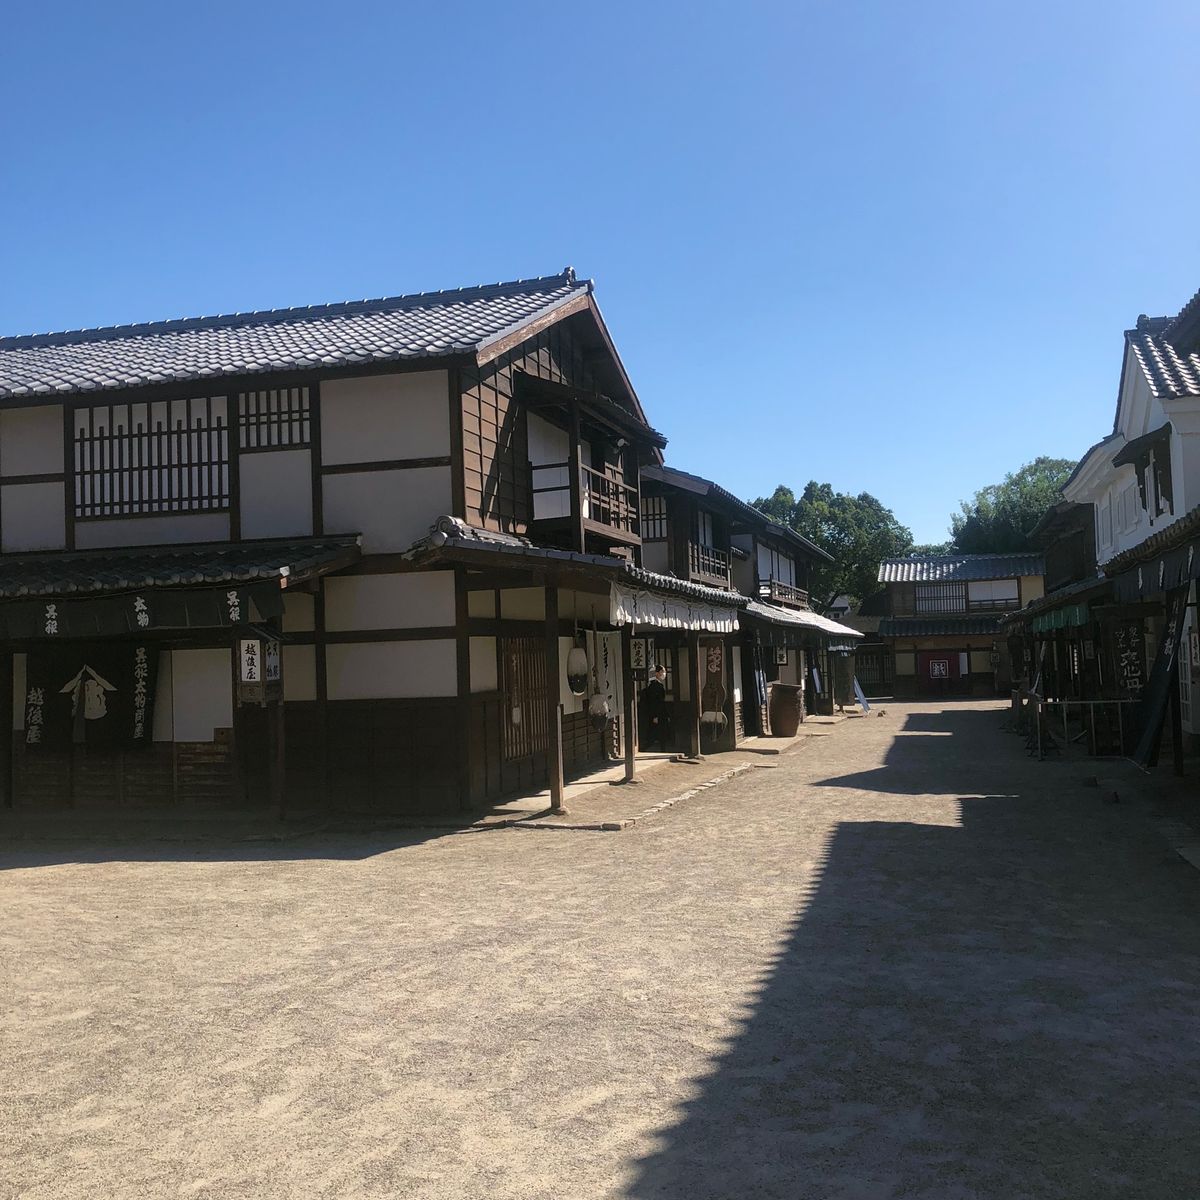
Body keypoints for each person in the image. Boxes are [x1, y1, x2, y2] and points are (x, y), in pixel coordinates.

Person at [641, 664, 672, 752]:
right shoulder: (654, 685)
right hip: (657, 713)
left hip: (660, 712)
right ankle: (645, 748)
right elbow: (654, 702)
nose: (664, 674)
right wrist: (655, 715)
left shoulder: (658, 685)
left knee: (660, 733)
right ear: (657, 673)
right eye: (662, 672)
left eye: (664, 672)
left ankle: (662, 749)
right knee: (654, 733)